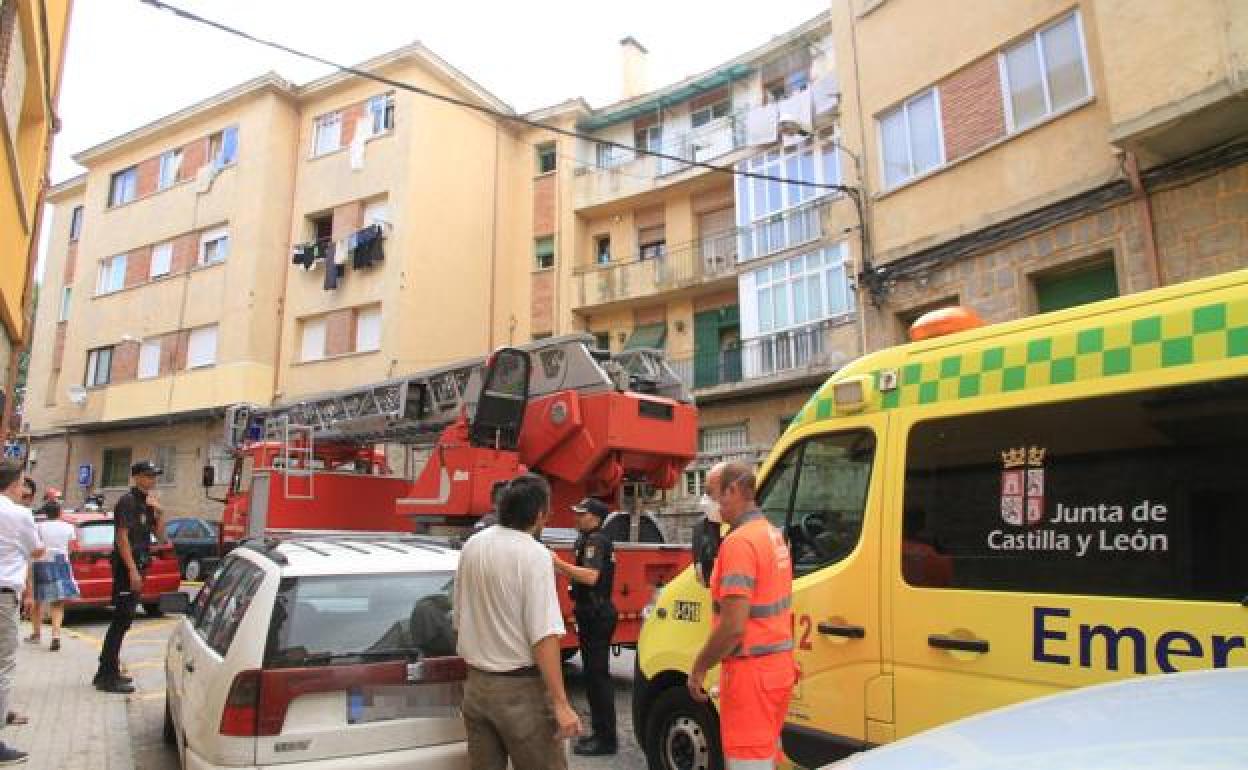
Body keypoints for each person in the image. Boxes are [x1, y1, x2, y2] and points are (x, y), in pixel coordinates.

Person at [453, 473, 581, 769]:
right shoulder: (534, 554)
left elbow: (459, 615)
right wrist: (561, 704)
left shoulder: (473, 545)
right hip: (519, 693)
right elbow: (544, 635)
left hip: (476, 687)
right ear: (539, 514)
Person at [689, 461, 796, 769]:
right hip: (777, 670)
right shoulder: (773, 535)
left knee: (748, 762)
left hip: (751, 679)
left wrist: (699, 667)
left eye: (710, 492)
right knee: (768, 757)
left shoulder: (739, 543)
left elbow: (733, 626)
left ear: (732, 490)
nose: (707, 502)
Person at [552, 497, 618, 756]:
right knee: (592, 678)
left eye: (582, 514)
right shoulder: (586, 539)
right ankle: (600, 734)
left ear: (596, 517)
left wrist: (557, 563)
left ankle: (606, 740)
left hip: (597, 613)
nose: (576, 518)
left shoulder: (597, 541)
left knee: (598, 678)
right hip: (590, 612)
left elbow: (591, 577)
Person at [94, 461, 166, 694]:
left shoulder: (147, 504)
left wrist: (160, 512)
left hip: (140, 564)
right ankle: (106, 674)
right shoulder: (127, 502)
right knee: (120, 620)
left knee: (125, 621)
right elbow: (121, 538)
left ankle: (108, 669)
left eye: (154, 476)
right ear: (136, 477)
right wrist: (132, 570)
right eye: (147, 476)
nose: (152, 480)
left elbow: (160, 536)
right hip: (128, 568)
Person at [0, 463, 44, 764]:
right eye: (21, 484)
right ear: (13, 484)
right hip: (3, 596)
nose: (24, 490)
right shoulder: (18, 514)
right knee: (2, 666)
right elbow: (37, 549)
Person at [26, 502, 79, 651]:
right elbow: (72, 548)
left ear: (45, 513)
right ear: (60, 512)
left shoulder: (39, 527)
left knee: (38, 600)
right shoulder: (68, 527)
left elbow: (34, 546)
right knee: (57, 603)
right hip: (61, 562)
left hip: (41, 562)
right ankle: (56, 636)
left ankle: (36, 634)